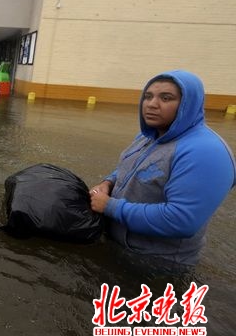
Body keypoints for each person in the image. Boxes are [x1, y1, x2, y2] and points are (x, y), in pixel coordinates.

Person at [89, 70, 235, 266]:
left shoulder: (206, 152)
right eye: (148, 96)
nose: (152, 104)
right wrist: (108, 182)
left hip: (156, 264)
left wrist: (109, 206)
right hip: (120, 247)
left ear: (188, 103)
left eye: (166, 98)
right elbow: (131, 169)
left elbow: (181, 220)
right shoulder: (149, 136)